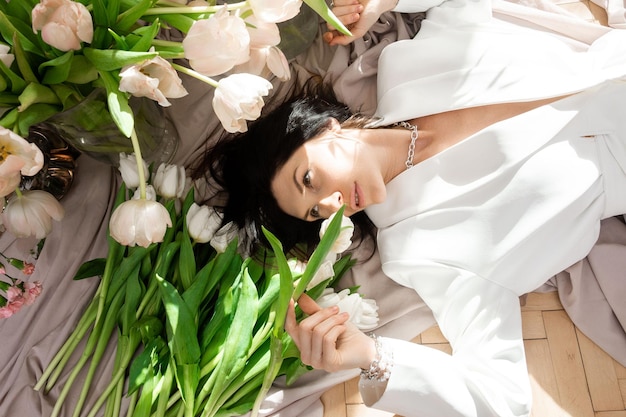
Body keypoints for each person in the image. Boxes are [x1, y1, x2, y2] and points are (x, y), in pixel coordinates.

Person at [195, 0, 626, 416]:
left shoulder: (408, 67)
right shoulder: (420, 249)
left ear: (324, 129)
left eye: (308, 179)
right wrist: (372, 356)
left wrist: (386, 2)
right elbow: (502, 400)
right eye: (315, 213)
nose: (330, 206)